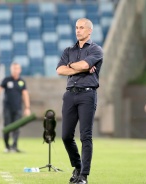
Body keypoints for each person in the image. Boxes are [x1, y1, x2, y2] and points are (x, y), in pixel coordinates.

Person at [56, 18, 103, 184]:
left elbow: (84, 65)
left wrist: (72, 66)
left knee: (85, 136)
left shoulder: (96, 50)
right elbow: (60, 70)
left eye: (81, 28)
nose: (78, 30)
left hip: (87, 95)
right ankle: (77, 166)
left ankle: (84, 176)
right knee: (66, 136)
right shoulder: (69, 50)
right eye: (76, 27)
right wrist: (77, 66)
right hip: (69, 94)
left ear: (89, 31)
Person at [0, 62, 31, 153]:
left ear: (20, 70)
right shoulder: (6, 80)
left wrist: (27, 107)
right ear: (11, 70)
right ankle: (7, 146)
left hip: (18, 108)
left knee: (16, 128)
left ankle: (14, 146)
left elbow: (25, 94)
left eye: (17, 69)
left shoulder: (22, 82)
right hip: (7, 108)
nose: (15, 70)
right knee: (7, 127)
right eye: (14, 69)